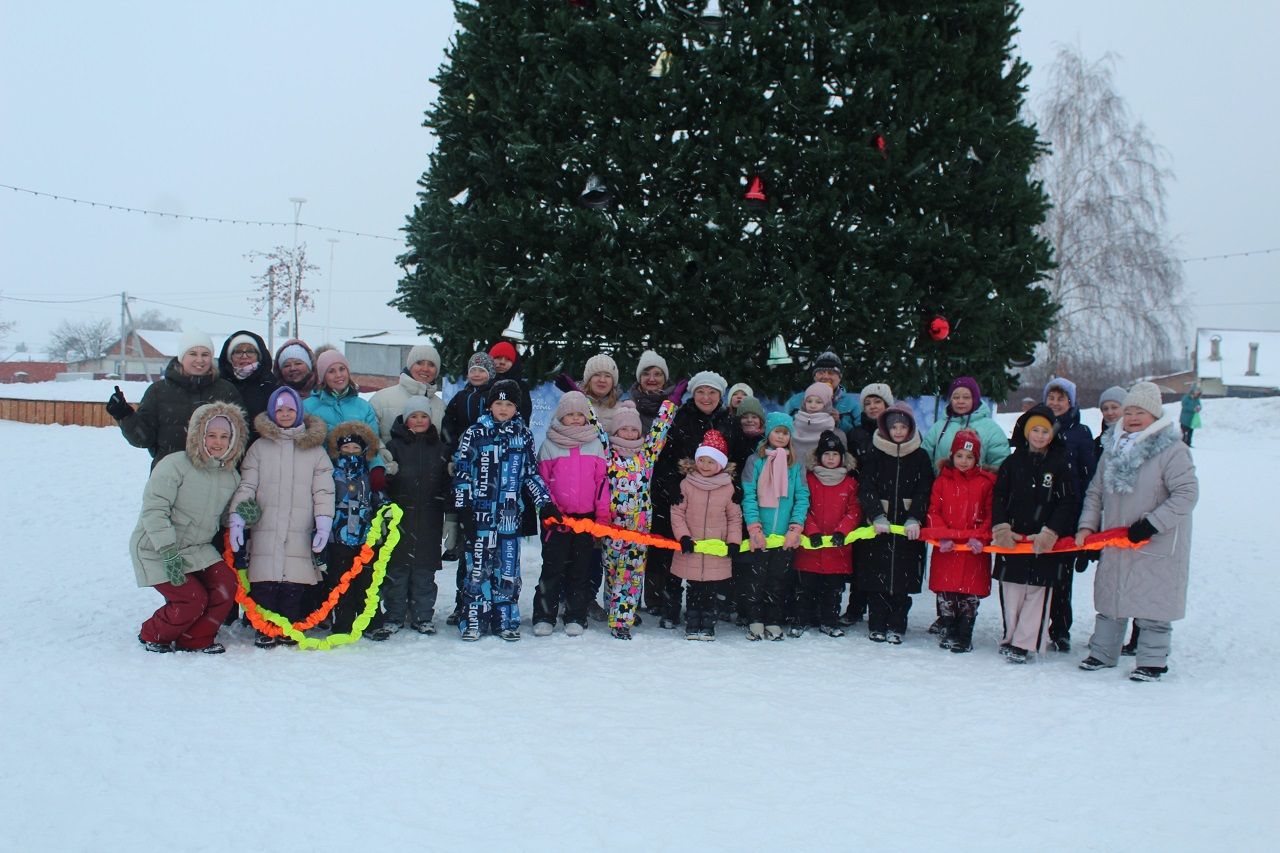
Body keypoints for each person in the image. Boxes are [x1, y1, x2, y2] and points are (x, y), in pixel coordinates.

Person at [1077, 382, 1198, 682]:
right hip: (1116, 540)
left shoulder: (1173, 450)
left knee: (1153, 602)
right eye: (1128, 411)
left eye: (1139, 412)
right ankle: (1103, 653)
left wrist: (1151, 524)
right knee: (1111, 598)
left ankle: (1152, 660)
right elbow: (1095, 492)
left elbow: (1186, 494)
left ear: (1154, 416)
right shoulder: (1113, 449)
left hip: (1155, 540)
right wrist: (1087, 527)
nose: (1131, 417)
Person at [131, 402, 247, 653]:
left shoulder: (231, 476)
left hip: (197, 548)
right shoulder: (174, 465)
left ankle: (195, 639)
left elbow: (224, 519)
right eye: (211, 435)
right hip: (157, 547)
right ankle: (152, 633)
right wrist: (168, 550)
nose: (218, 442)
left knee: (226, 587)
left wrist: (244, 514)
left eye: (225, 436)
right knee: (191, 600)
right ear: (198, 436)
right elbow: (155, 510)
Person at [228, 386, 334, 649]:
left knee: (294, 583)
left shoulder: (316, 451)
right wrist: (238, 517)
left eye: (290, 409)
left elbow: (323, 489)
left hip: (300, 527)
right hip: (267, 526)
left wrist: (323, 521)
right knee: (264, 581)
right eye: (280, 410)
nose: (285, 414)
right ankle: (264, 626)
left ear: (299, 411)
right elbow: (247, 486)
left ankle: (289, 624)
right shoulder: (260, 448)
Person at [453, 379, 557, 641]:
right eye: (498, 403)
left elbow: (530, 474)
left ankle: (505, 620)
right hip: (480, 517)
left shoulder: (523, 435)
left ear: (516, 408)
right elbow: (462, 473)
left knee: (508, 572)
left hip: (510, 518)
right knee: (478, 569)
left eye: (508, 404)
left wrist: (544, 503)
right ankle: (474, 620)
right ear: (490, 405)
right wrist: (463, 508)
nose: (503, 408)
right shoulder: (474, 434)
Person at [990, 405, 1078, 664]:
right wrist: (1001, 527)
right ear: (1026, 433)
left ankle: (1024, 643)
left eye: (1045, 431)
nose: (1039, 436)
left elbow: (1068, 502)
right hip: (1013, 539)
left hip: (1043, 542)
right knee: (1012, 591)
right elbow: (998, 497)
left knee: (1037, 593)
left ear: (1052, 434)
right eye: (1035, 430)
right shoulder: (1012, 462)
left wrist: (1051, 532)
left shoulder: (1060, 464)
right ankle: (1010, 636)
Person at [648, 370, 736, 622]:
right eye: (701, 391)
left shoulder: (728, 421)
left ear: (720, 396)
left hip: (717, 496)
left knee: (711, 554)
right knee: (675, 552)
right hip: (681, 495)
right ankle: (670, 607)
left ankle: (707, 605)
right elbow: (665, 457)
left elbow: (736, 457)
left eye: (712, 392)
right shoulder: (681, 418)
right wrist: (671, 486)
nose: (706, 397)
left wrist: (734, 489)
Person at [533, 391, 611, 637]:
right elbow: (542, 482)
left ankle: (575, 615)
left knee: (581, 569)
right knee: (552, 568)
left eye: (580, 414)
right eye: (570, 415)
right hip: (557, 520)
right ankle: (545, 615)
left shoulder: (595, 444)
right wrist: (551, 510)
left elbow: (601, 483)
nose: (576, 419)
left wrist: (602, 516)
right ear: (560, 416)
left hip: (586, 518)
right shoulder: (549, 444)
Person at [107, 329, 241, 469]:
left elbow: (239, 436)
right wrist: (125, 415)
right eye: (193, 354)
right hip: (168, 474)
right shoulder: (158, 391)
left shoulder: (226, 391)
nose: (200, 360)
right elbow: (143, 439)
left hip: (213, 475)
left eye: (205, 354)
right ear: (181, 357)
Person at [856, 403, 933, 643]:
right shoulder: (874, 453)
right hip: (879, 529)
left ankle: (898, 624)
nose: (898, 431)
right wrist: (876, 514)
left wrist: (915, 517)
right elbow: (866, 487)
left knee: (902, 580)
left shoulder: (920, 456)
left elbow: (925, 490)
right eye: (894, 427)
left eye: (903, 427)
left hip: (906, 530)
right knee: (876, 579)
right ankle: (877, 623)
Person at [374, 395, 450, 638]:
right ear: (405, 420)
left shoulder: (439, 448)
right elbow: (384, 484)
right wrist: (388, 476)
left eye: (423, 416)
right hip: (400, 519)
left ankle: (422, 616)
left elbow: (446, 484)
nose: (418, 421)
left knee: (424, 573)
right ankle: (394, 614)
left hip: (430, 518)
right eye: (413, 416)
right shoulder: (394, 447)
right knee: (396, 572)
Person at [602, 399, 675, 639]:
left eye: (634, 429)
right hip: (611, 527)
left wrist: (669, 403)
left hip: (639, 528)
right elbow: (592, 424)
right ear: (615, 431)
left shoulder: (646, 454)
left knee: (631, 573)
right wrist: (578, 396)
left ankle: (622, 619)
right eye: (625, 428)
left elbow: (659, 430)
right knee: (612, 572)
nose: (630, 433)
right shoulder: (607, 453)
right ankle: (615, 608)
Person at [741, 411, 811, 641]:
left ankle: (773, 619)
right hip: (760, 534)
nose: (781, 437)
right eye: (777, 432)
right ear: (768, 433)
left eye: (785, 433)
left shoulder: (796, 464)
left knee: (778, 580)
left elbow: (802, 497)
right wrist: (754, 528)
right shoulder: (755, 461)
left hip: (784, 536)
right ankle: (755, 619)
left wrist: (795, 528)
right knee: (756, 580)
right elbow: (749, 495)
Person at [925, 429, 996, 654]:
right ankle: (949, 630)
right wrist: (942, 534)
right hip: (947, 548)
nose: (964, 461)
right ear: (952, 456)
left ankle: (965, 635)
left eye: (969, 457)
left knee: (969, 595)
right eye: (959, 456)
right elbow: (933, 510)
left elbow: (990, 514)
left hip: (973, 549)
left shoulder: (986, 483)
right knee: (947, 592)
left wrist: (980, 536)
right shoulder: (941, 482)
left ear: (977, 459)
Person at [1041, 376, 1097, 652]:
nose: (1055, 403)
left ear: (1071, 402)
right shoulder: (1036, 424)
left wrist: (1085, 516)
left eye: (1061, 399)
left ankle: (1060, 629)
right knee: (1035, 575)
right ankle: (1032, 626)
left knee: (1062, 578)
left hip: (1068, 510)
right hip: (1038, 509)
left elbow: (1089, 475)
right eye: (1051, 398)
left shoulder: (1080, 432)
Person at [670, 429, 742, 641]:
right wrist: (683, 536)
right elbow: (677, 512)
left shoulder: (728, 488)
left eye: (711, 462)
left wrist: (733, 541)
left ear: (720, 464)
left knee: (710, 589)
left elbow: (734, 517)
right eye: (701, 460)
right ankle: (692, 622)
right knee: (693, 587)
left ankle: (708, 622)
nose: (705, 465)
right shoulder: (687, 484)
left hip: (715, 548)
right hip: (692, 546)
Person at [794, 430, 860, 637]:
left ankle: (829, 621)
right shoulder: (809, 480)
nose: (831, 459)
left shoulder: (850, 483)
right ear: (818, 457)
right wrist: (811, 530)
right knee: (806, 589)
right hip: (810, 548)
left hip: (837, 549)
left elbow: (854, 511)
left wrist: (842, 531)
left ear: (842, 458)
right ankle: (803, 619)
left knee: (833, 591)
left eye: (835, 455)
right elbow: (803, 507)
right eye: (827, 454)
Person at [324, 421, 385, 636]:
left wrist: (383, 508)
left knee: (367, 580)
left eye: (355, 448)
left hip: (364, 535)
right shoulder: (332, 472)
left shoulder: (368, 473)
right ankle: (343, 621)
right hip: (338, 535)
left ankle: (370, 620)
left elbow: (378, 497)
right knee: (341, 580)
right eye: (346, 448)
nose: (351, 452)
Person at [841, 382, 892, 625]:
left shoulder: (898, 430)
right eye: (868, 403)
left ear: (887, 404)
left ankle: (882, 610)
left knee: (885, 559)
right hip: (861, 500)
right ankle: (855, 608)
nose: (872, 407)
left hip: (890, 503)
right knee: (861, 558)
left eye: (877, 402)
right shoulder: (857, 434)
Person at [920, 376, 1010, 473]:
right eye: (956, 397)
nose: (960, 401)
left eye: (966, 397)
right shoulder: (938, 427)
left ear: (974, 399)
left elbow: (1001, 464)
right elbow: (924, 459)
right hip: (942, 486)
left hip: (977, 487)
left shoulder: (990, 429)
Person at [303, 350, 384, 459]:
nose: (339, 375)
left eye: (342, 369)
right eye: (331, 371)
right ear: (323, 377)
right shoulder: (308, 407)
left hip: (359, 473)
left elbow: (373, 445)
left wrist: (376, 468)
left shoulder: (363, 407)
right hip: (322, 472)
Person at [369, 343, 445, 446]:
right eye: (419, 363)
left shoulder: (441, 407)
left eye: (431, 365)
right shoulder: (380, 400)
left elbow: (445, 447)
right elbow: (367, 437)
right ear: (410, 366)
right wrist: (383, 457)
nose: (425, 368)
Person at [217, 330, 278, 442]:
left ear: (259, 356)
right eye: (238, 352)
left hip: (262, 448)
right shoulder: (220, 384)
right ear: (230, 357)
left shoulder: (270, 383)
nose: (244, 356)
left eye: (250, 351)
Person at [784, 351, 861, 432]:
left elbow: (859, 436)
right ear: (814, 376)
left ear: (839, 377)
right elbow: (783, 430)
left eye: (831, 373)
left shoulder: (851, 405)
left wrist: (839, 422)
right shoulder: (795, 402)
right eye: (821, 372)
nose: (825, 377)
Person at [442, 351, 494, 452]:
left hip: (487, 447)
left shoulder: (493, 395)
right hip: (461, 446)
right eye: (473, 370)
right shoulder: (461, 396)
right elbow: (448, 419)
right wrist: (451, 441)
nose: (476, 374)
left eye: (481, 371)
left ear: (490, 374)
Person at [628, 350, 687, 432]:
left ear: (665, 378)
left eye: (657, 374)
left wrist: (672, 405)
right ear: (640, 378)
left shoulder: (679, 407)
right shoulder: (628, 407)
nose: (651, 379)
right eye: (646, 374)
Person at [790, 381, 839, 463]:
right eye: (809, 401)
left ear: (826, 404)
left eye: (818, 402)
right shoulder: (797, 420)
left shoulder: (829, 423)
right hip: (795, 464)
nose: (813, 405)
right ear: (804, 402)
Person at [488, 340, 533, 424]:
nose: (502, 362)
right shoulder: (480, 382)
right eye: (498, 357)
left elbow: (524, 417)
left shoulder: (520, 387)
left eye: (508, 359)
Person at [1094, 385, 1127, 460]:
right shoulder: (1098, 443)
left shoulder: (1135, 438)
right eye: (1105, 409)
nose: (1110, 412)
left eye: (1114, 407)